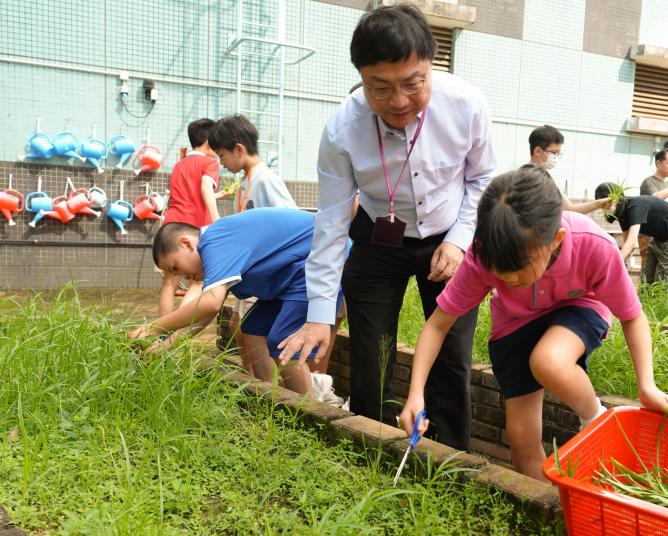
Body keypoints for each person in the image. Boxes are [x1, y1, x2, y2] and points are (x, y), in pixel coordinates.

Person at [277, 4, 496, 451]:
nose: (398, 102)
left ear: (431, 66)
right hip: (378, 237)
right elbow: (332, 224)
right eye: (380, 88)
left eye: (413, 84)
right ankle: (371, 447)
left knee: (452, 354)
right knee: (370, 352)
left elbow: (484, 179)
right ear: (361, 77)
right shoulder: (342, 129)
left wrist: (458, 241)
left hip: (449, 238)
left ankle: (450, 457)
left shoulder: (466, 104)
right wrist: (320, 317)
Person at [397, 168, 668, 480]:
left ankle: (596, 420)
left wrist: (646, 385)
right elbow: (437, 325)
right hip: (513, 325)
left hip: (577, 306)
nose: (508, 279)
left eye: (518, 270)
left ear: (556, 240)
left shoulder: (592, 245)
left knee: (549, 360)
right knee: (522, 446)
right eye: (499, 272)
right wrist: (416, 393)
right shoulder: (485, 255)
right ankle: (554, 507)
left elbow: (631, 315)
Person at [128, 208, 344, 400]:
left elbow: (211, 303)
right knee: (252, 330)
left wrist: (152, 328)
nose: (182, 275)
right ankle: (268, 401)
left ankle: (311, 411)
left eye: (176, 267)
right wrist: (167, 345)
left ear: (186, 244)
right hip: (292, 276)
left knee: (282, 340)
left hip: (320, 263)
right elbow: (205, 313)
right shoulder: (217, 247)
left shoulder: (214, 241)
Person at [208, 115, 301, 372]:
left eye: (222, 155)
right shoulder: (246, 183)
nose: (222, 163)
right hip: (253, 272)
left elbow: (291, 221)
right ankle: (255, 386)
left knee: (253, 334)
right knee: (240, 330)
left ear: (239, 149)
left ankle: (268, 390)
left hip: (270, 272)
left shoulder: (266, 180)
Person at [159, 119, 221, 318]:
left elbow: (188, 193)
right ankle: (178, 333)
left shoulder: (179, 165)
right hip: (193, 228)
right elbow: (204, 188)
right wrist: (217, 221)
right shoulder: (210, 162)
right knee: (197, 281)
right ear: (210, 142)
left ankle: (161, 330)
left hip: (171, 227)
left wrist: (217, 195)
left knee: (169, 282)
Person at [597, 184, 668, 284]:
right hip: (657, 237)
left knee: (664, 281)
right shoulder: (621, 213)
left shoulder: (636, 205)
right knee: (646, 280)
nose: (607, 208)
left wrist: (611, 266)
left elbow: (631, 242)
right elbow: (627, 244)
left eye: (608, 203)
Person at [526, 125, 610, 214]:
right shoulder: (532, 178)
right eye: (554, 153)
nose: (555, 157)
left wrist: (598, 204)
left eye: (558, 154)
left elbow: (571, 208)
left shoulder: (542, 175)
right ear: (538, 151)